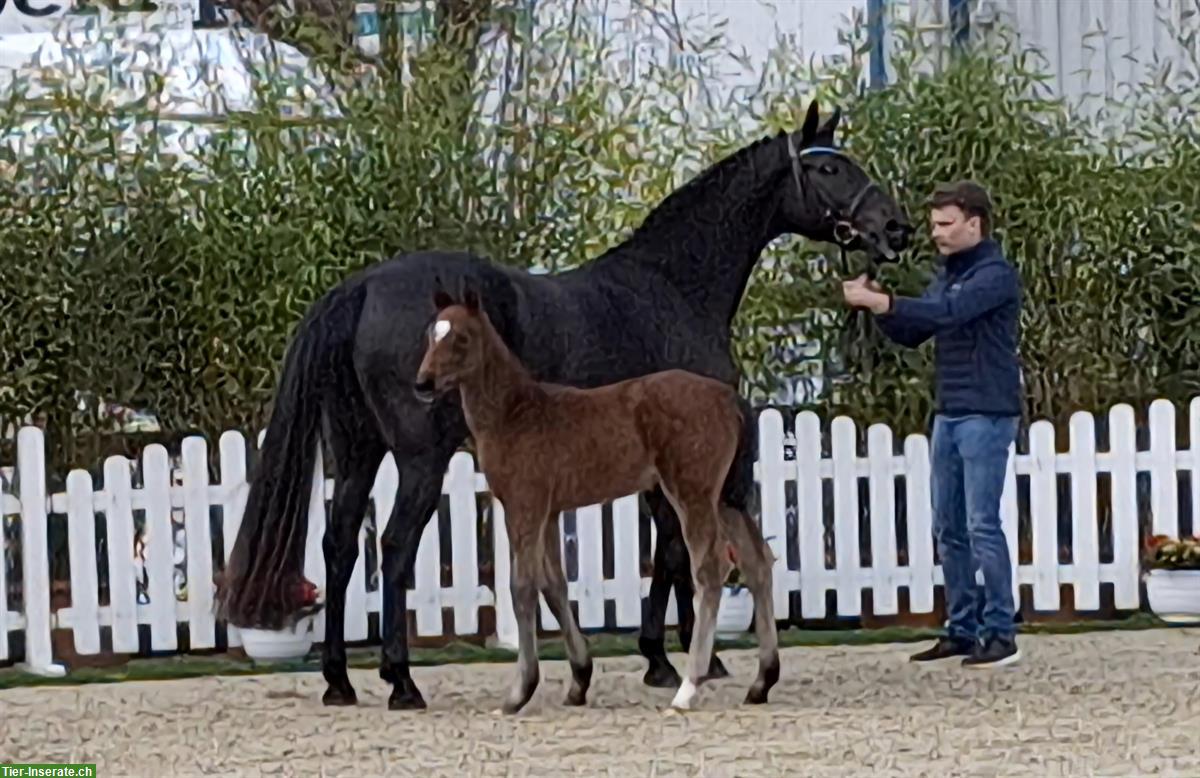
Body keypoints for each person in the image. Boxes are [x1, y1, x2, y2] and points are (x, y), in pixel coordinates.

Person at [841, 180, 1023, 668]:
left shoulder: (994, 274)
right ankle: (962, 629)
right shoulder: (949, 273)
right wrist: (880, 307)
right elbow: (917, 331)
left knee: (982, 524)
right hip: (950, 411)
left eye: (946, 224)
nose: (936, 233)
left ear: (974, 224)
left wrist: (885, 304)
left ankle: (1001, 631)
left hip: (987, 411)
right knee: (948, 527)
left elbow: (948, 313)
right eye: (934, 224)